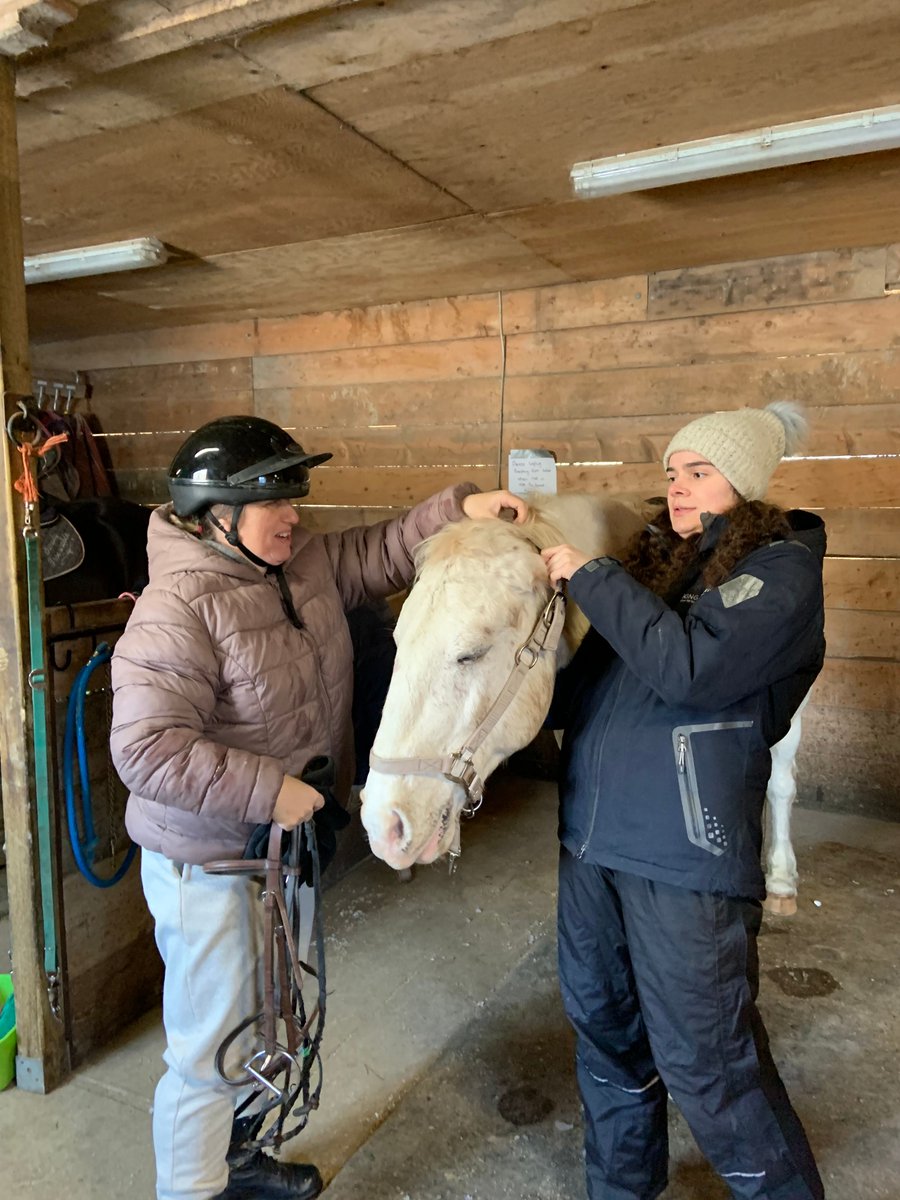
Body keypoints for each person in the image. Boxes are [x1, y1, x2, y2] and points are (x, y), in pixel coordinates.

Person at [109, 414, 528, 1200]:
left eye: (295, 497)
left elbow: (380, 550)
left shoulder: (296, 564)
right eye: (275, 501)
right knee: (207, 1049)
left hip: (281, 850)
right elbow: (147, 749)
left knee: (267, 1021)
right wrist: (273, 788)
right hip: (213, 862)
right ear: (218, 515)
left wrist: (458, 510)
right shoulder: (178, 609)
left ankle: (238, 1160)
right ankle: (191, 1190)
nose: (295, 515)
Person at [541, 401, 826, 1200]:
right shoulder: (658, 568)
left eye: (699, 472)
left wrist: (592, 579)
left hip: (686, 858)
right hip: (592, 845)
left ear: (744, 480)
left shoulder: (780, 571)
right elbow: (579, 697)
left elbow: (693, 673)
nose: (679, 488)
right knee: (607, 1036)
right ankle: (622, 1188)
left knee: (709, 1064)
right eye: (672, 473)